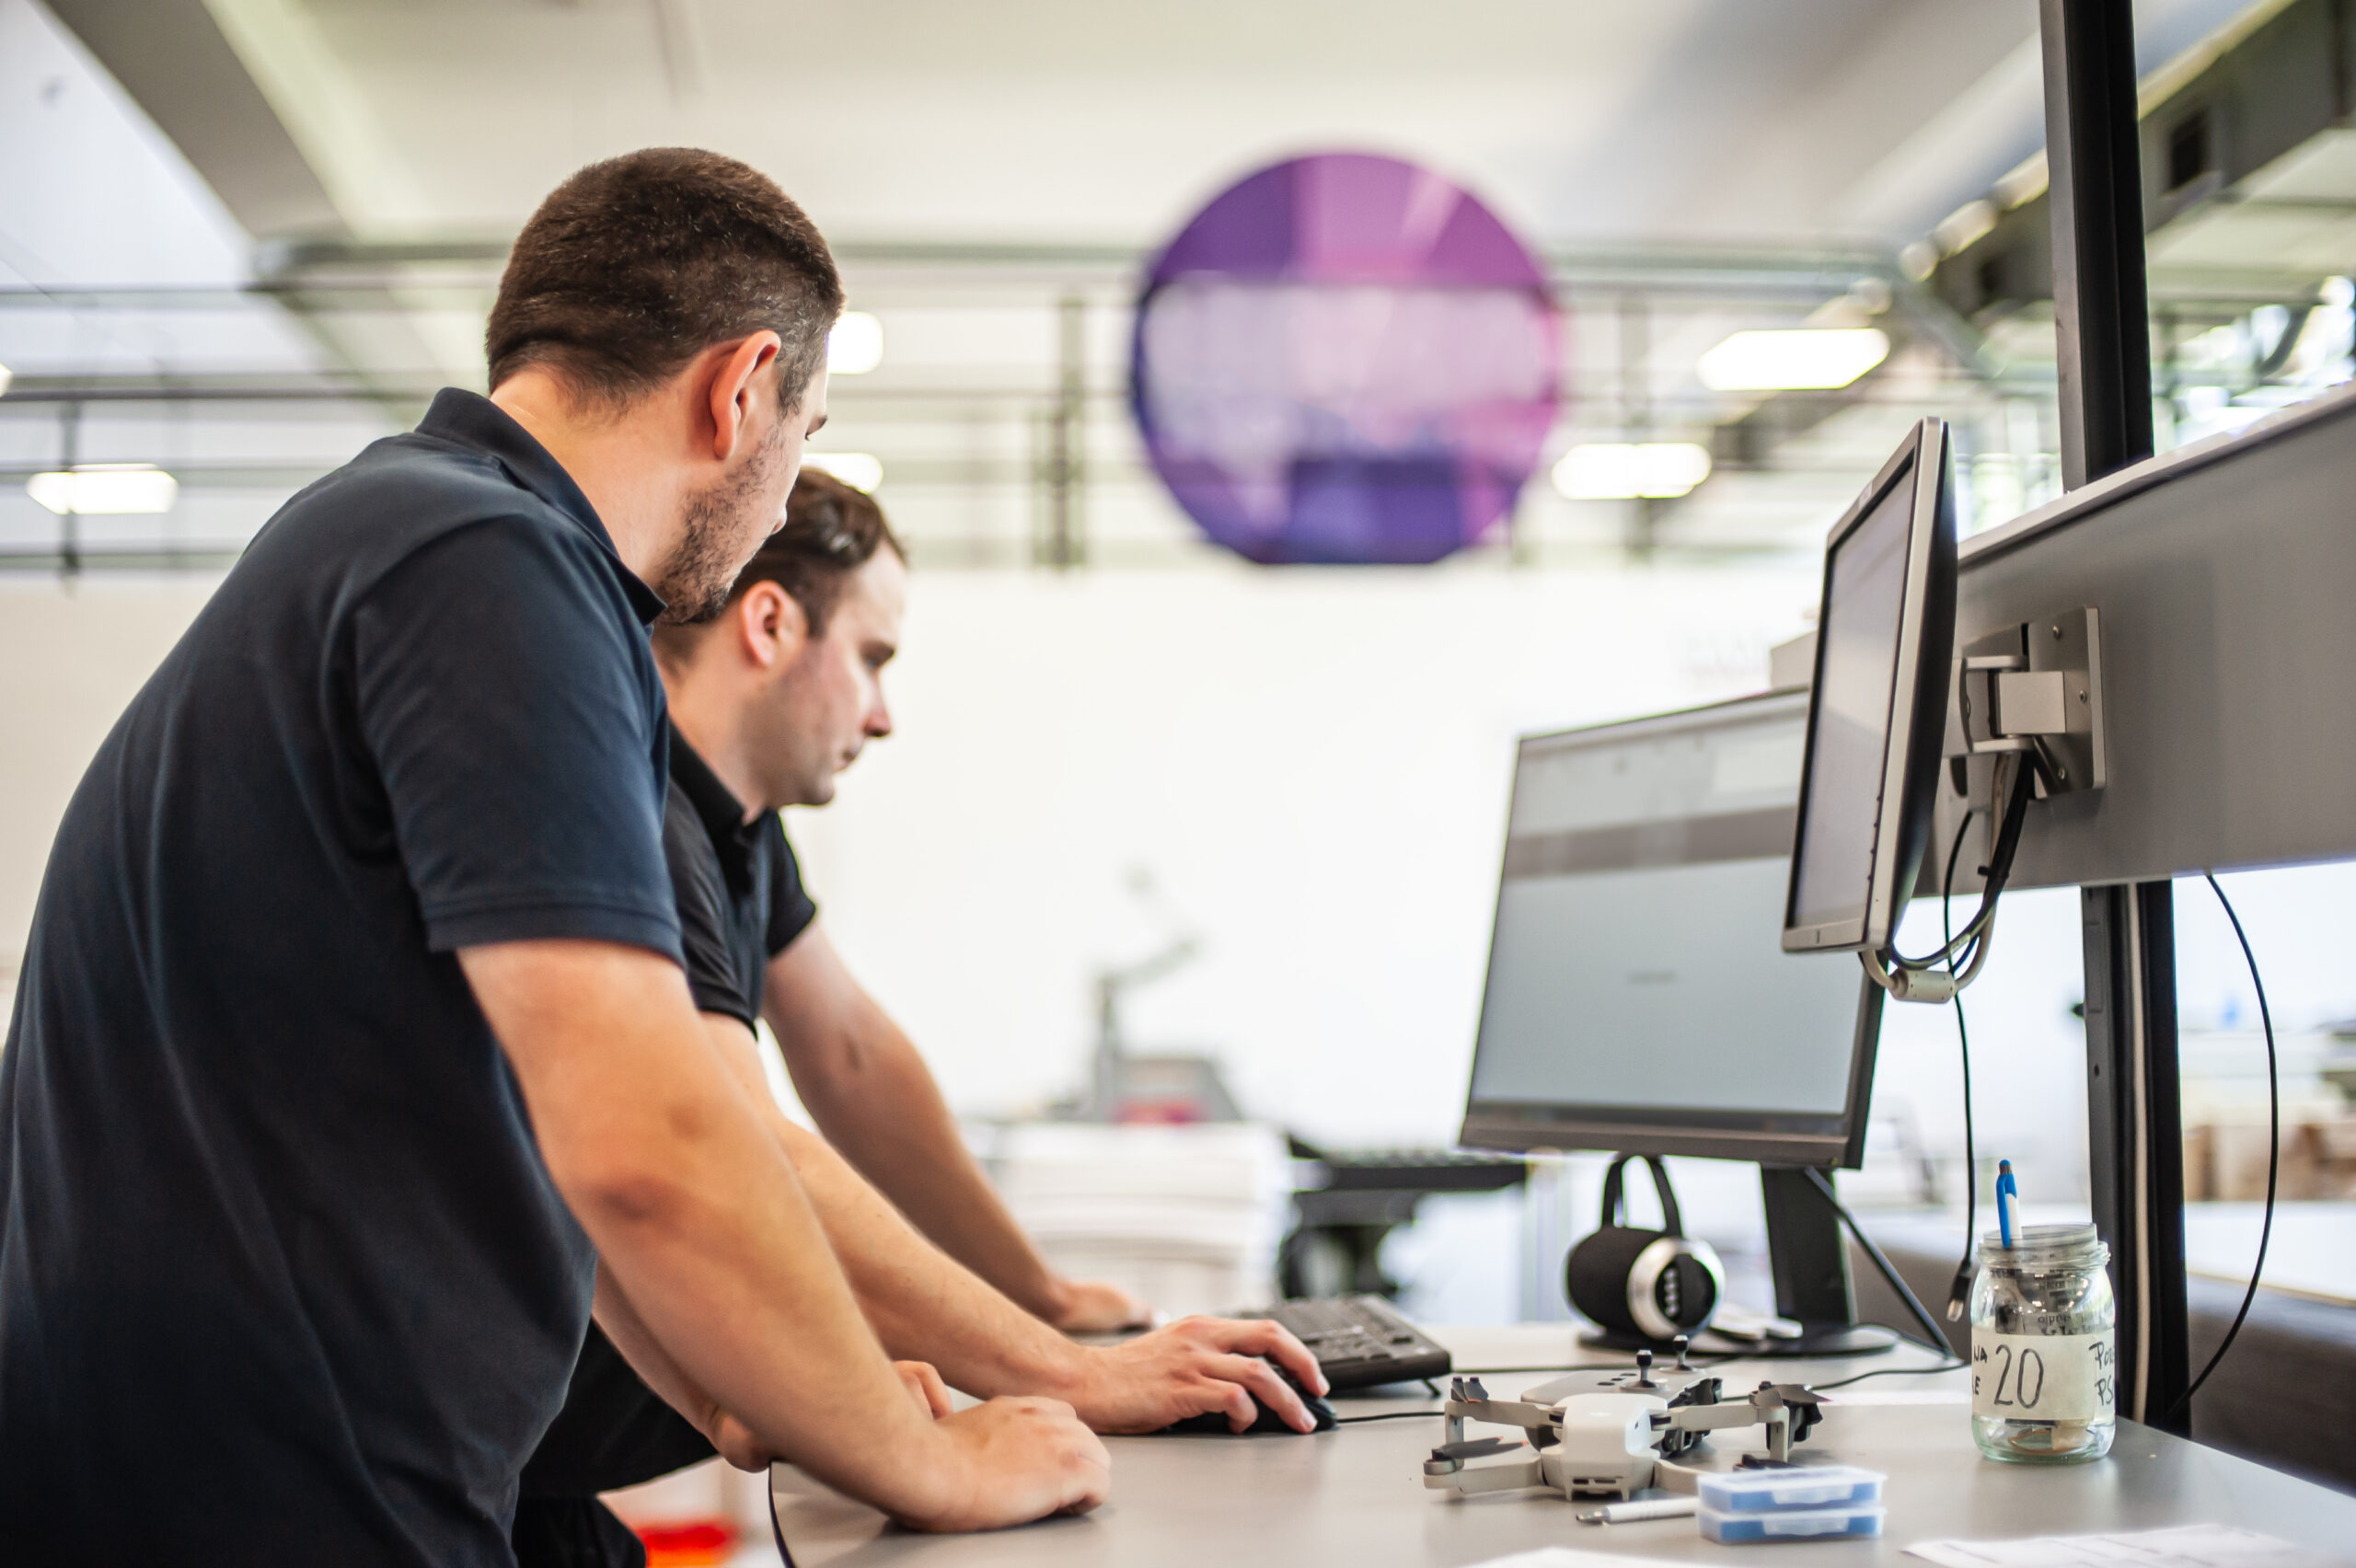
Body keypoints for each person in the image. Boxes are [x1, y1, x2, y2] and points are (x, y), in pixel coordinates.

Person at [0, 149, 1111, 1566]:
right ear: (742, 389)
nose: (782, 498)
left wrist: (736, 1389)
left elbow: (554, 1116)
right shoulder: (494, 568)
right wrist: (935, 1464)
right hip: (274, 1502)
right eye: (805, 431)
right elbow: (651, 1141)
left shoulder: (401, 532)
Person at [514, 470, 1327, 1567]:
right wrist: (1071, 1371)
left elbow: (854, 1059)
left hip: (546, 1454)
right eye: (872, 658)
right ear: (769, 625)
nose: (883, 715)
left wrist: (1040, 1299)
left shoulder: (735, 830)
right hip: (456, 1425)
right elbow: (747, 1143)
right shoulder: (642, 818)